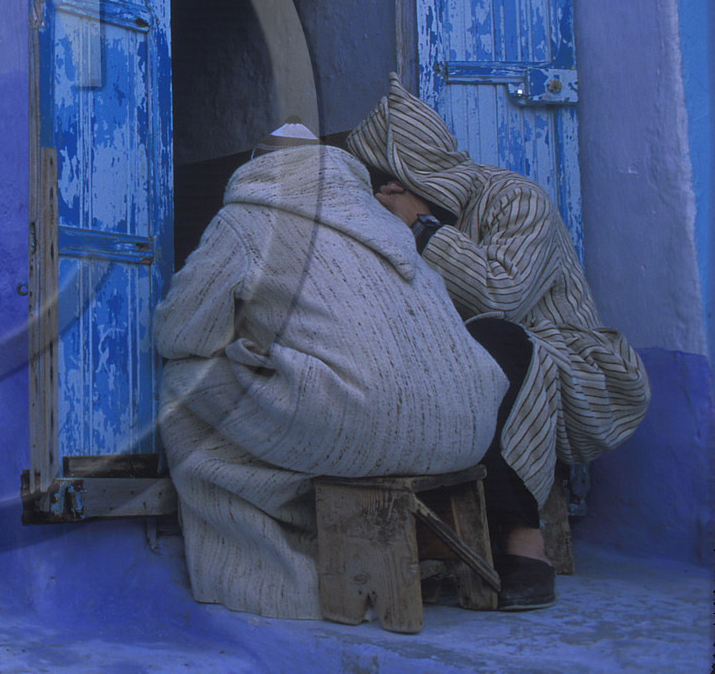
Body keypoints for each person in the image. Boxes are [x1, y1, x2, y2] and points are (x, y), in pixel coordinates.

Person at [156, 123, 508, 620]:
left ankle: (281, 570)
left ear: (259, 165)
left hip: (365, 421)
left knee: (182, 384)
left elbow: (182, 331)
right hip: (468, 427)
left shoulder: (248, 219)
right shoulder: (389, 225)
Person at [347, 76, 651, 610]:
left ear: (409, 176)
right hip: (472, 366)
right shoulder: (390, 224)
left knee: (491, 339)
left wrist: (422, 232)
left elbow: (501, 295)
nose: (379, 194)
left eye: (386, 180)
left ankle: (523, 543)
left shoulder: (516, 200)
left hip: (579, 372)